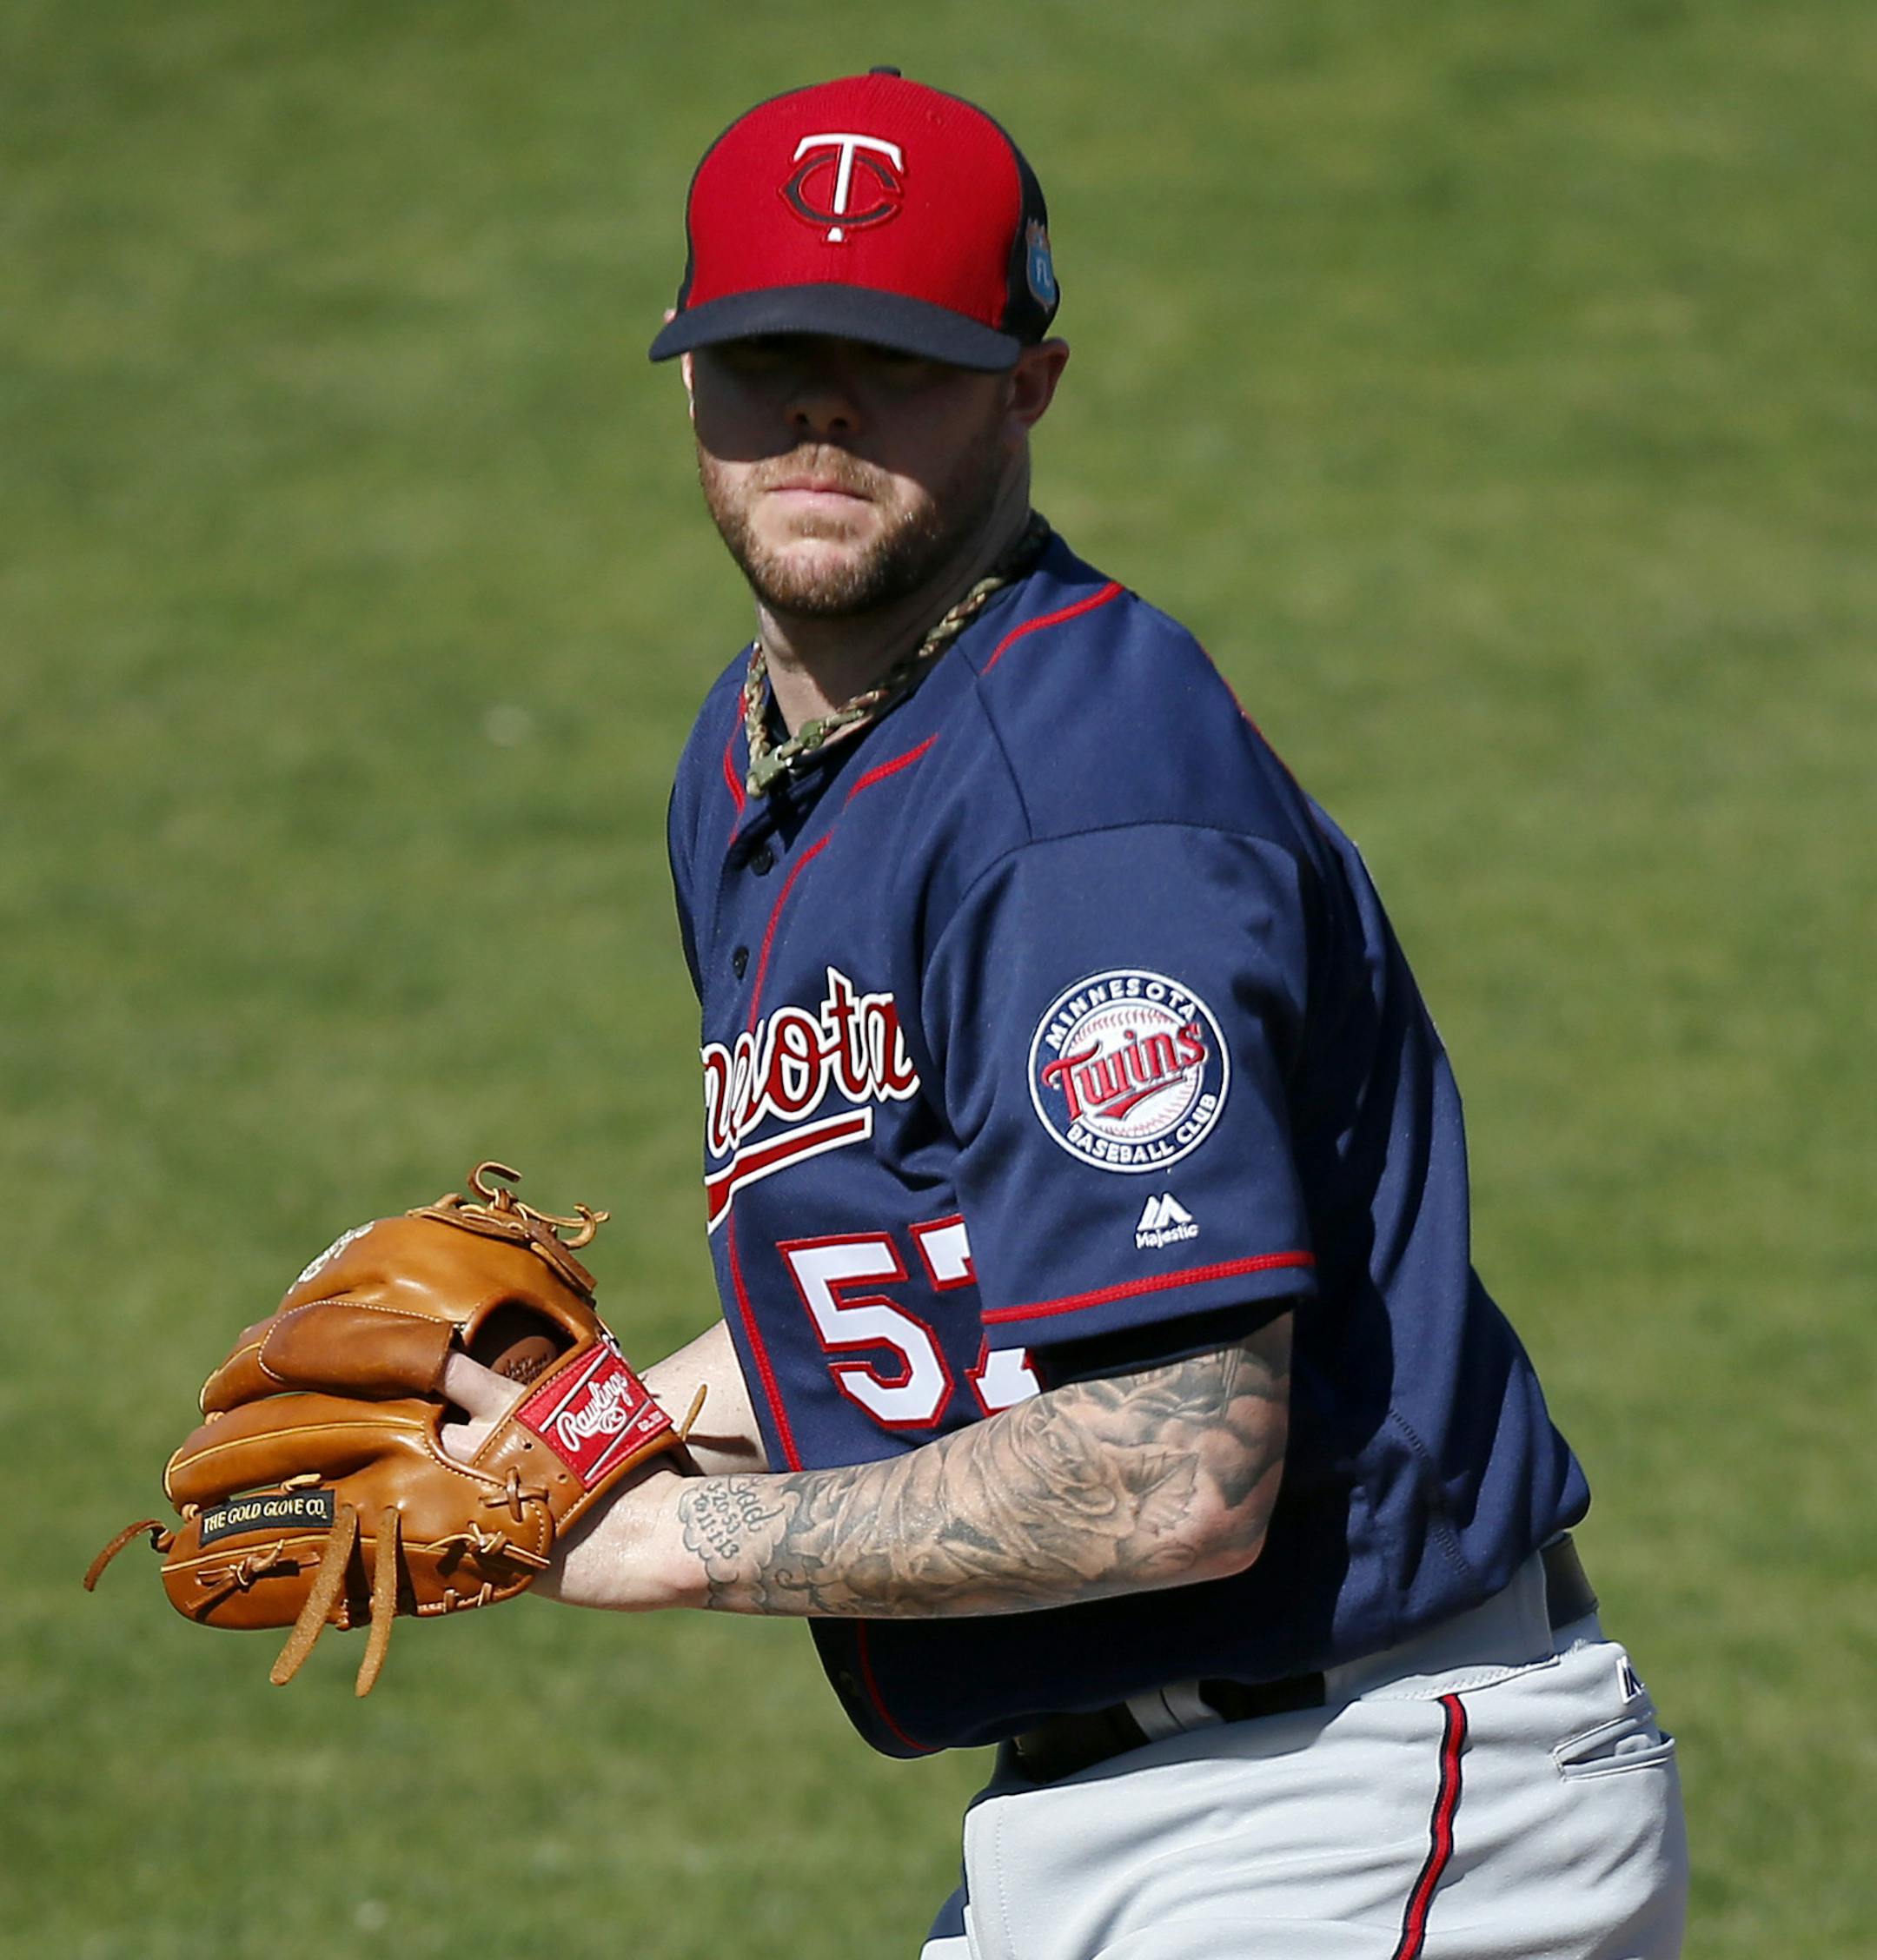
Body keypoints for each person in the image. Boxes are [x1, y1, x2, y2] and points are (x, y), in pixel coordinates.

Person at [441, 70, 1689, 1959]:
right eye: (769, 348)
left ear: (1030, 384)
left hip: (1356, 1806)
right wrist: (554, 1433)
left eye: (896, 354)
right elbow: (923, 1281)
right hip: (1123, 1813)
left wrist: (656, 1541)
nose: (822, 407)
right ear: (686, 376)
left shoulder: (1079, 814)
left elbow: (1175, 1468)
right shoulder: (756, 758)